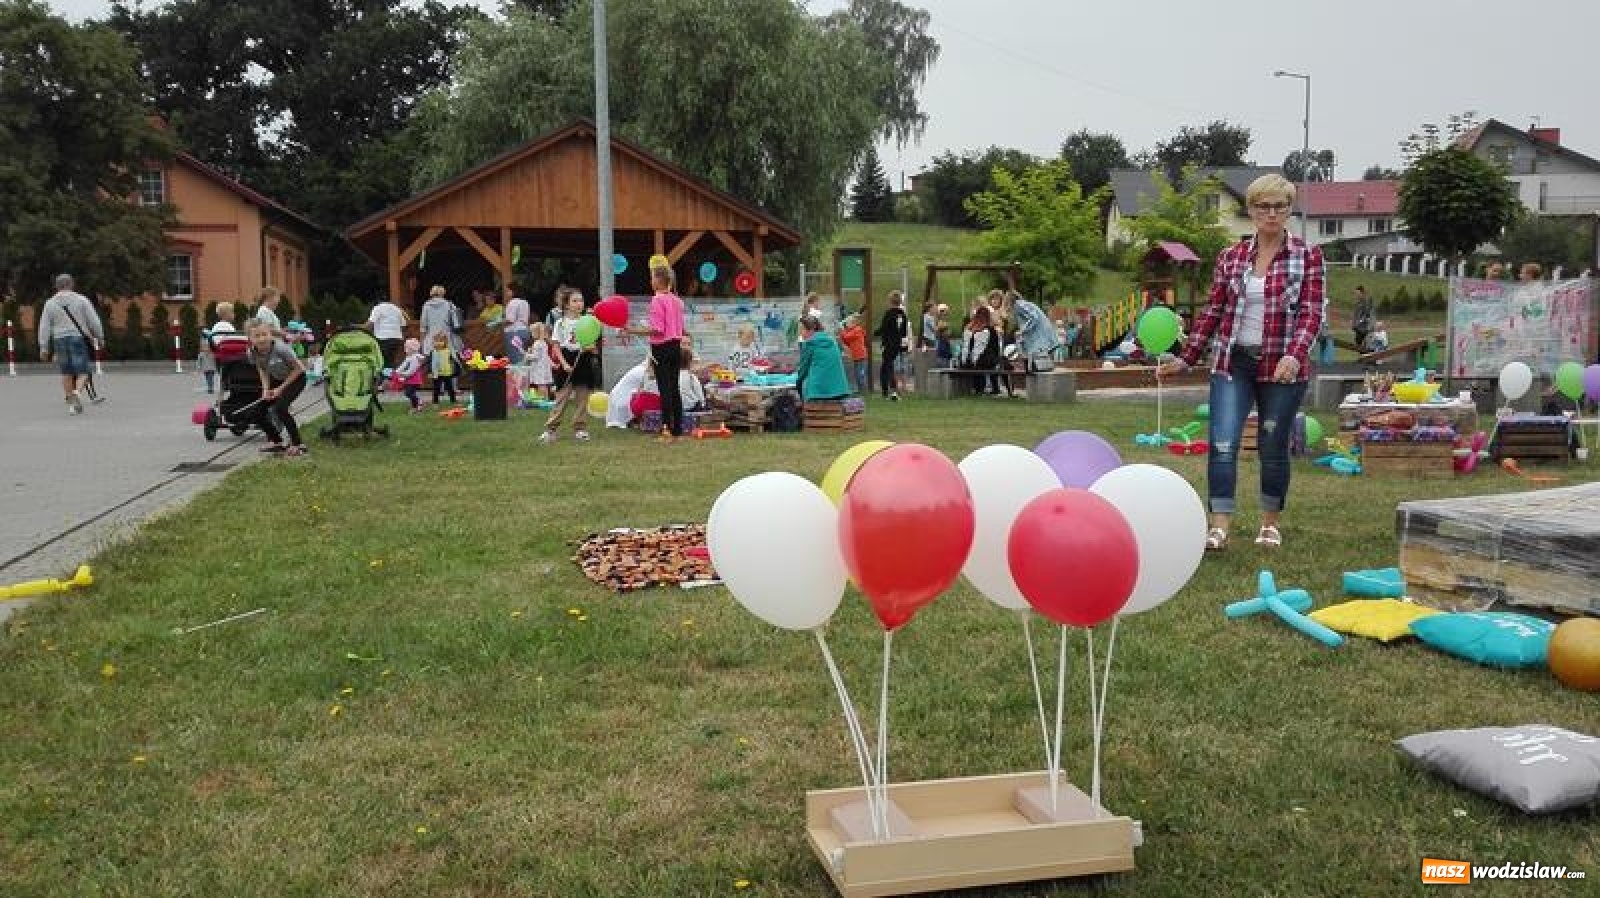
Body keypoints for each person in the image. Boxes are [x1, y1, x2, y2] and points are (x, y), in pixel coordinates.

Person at [1157, 173, 1325, 553]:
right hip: (1233, 363)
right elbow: (1214, 311)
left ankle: (1269, 524)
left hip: (1281, 367)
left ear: (1288, 210)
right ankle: (1219, 525)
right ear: (1250, 210)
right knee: (1221, 443)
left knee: (1272, 444)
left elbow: (1312, 312)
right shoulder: (1230, 257)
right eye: (1263, 206)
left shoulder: (1308, 255)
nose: (1271, 213)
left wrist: (1294, 357)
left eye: (1279, 206)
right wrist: (1186, 358)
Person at [625, 266, 687, 442]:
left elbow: (657, 330)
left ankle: (666, 428)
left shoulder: (657, 300)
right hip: (676, 346)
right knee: (674, 388)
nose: (650, 281)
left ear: (659, 281)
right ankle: (678, 429)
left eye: (652, 278)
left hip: (662, 348)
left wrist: (634, 330)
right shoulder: (677, 301)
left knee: (664, 389)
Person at [37, 274, 106, 415]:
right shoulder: (81, 300)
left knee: (66, 373)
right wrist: (100, 337)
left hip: (59, 340)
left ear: (56, 287)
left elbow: (44, 326)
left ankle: (72, 406)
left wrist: (43, 347)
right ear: (72, 284)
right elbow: (94, 321)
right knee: (83, 372)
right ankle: (77, 393)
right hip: (77, 339)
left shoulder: (50, 303)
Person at [540, 289, 600, 443]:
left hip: (583, 360)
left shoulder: (588, 321)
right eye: (574, 301)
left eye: (581, 300)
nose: (579, 303)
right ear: (566, 304)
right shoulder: (560, 323)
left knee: (582, 398)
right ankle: (551, 429)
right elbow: (556, 345)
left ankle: (580, 429)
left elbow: (593, 344)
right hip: (567, 359)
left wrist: (590, 347)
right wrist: (564, 363)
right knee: (562, 397)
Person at [246, 319, 308, 456]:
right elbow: (262, 369)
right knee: (255, 413)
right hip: (278, 380)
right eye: (257, 336)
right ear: (250, 339)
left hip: (297, 378)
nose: (262, 338)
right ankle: (277, 441)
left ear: (270, 334)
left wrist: (280, 389)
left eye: (264, 334)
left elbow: (299, 369)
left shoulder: (281, 349)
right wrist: (265, 389)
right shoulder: (252, 353)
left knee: (280, 408)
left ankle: (298, 444)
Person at [1002, 290, 1060, 374]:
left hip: (1039, 339)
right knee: (1034, 365)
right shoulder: (1024, 304)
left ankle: (1035, 385)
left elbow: (1033, 318)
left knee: (1035, 366)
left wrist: (1022, 331)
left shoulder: (1019, 305)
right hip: (1041, 338)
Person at [795, 315, 851, 401]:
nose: (800, 333)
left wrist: (798, 384)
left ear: (811, 329)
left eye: (802, 329)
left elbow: (803, 369)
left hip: (818, 392)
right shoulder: (832, 341)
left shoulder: (809, 344)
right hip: (840, 390)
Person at [957, 305, 1001, 396]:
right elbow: (995, 348)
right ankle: (992, 388)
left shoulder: (968, 329)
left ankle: (977, 388)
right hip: (982, 361)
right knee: (989, 361)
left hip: (965, 362)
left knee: (979, 362)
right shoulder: (990, 330)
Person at [875, 290, 909, 400]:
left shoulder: (889, 313)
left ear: (890, 301)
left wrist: (874, 333)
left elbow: (883, 329)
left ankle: (891, 390)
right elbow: (904, 332)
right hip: (897, 344)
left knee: (887, 367)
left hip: (888, 344)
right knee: (886, 366)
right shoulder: (903, 314)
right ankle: (888, 391)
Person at [419, 285, 463, 357]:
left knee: (432, 362)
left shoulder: (426, 306)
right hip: (448, 338)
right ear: (443, 293)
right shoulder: (450, 304)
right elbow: (456, 322)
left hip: (431, 339)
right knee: (448, 361)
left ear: (432, 293)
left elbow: (423, 326)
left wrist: (422, 343)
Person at [367, 296, 408, 368]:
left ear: (378, 301)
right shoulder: (397, 309)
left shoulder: (378, 308)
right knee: (391, 360)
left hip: (383, 338)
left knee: (382, 361)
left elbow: (370, 323)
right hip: (396, 339)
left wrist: (362, 331)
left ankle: (385, 378)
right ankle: (391, 377)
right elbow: (404, 325)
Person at [837, 314, 869, 394]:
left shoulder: (857, 330)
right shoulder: (852, 330)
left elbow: (846, 336)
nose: (847, 325)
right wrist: (842, 332)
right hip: (856, 356)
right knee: (857, 373)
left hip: (861, 355)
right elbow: (845, 339)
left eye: (848, 323)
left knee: (860, 374)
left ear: (853, 323)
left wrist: (842, 329)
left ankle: (863, 390)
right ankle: (860, 389)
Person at [394, 337, 427, 413]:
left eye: (407, 348)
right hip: (409, 379)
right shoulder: (409, 357)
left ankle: (418, 402)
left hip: (414, 379)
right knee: (409, 393)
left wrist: (401, 374)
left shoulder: (415, 358)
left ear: (413, 349)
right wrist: (396, 372)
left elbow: (411, 371)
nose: (405, 350)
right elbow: (403, 365)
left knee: (409, 393)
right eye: (405, 347)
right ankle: (416, 406)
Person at [525, 321, 555, 400]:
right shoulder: (544, 343)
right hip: (544, 367)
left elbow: (535, 357)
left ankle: (543, 399)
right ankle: (546, 398)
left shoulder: (537, 343)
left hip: (539, 368)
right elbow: (546, 356)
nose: (531, 334)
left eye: (532, 332)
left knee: (541, 384)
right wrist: (552, 364)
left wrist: (527, 355)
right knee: (543, 384)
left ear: (536, 333)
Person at [502, 284, 531, 364]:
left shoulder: (512, 302)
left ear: (513, 291)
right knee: (523, 357)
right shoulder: (525, 302)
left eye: (508, 291)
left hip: (514, 333)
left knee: (516, 360)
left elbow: (510, 320)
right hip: (525, 331)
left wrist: (498, 321)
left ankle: (517, 376)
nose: (507, 293)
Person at [428, 332, 459, 404]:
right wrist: (430, 372)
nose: (438, 343)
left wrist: (454, 369)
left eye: (441, 341)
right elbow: (429, 363)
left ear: (445, 342)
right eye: (436, 341)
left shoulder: (448, 351)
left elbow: (453, 361)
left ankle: (453, 400)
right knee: (436, 388)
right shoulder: (433, 352)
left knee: (450, 388)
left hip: (447, 373)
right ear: (433, 342)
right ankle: (435, 402)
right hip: (437, 373)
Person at [1351, 285, 1373, 351]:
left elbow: (1367, 314)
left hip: (1362, 327)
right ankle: (1363, 354)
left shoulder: (1365, 302)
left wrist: (1361, 320)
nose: (1356, 295)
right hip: (1357, 326)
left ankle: (1367, 354)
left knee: (1360, 343)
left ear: (1362, 293)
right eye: (1355, 293)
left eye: (1357, 293)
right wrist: (1353, 322)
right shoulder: (1357, 302)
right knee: (1358, 343)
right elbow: (1356, 314)